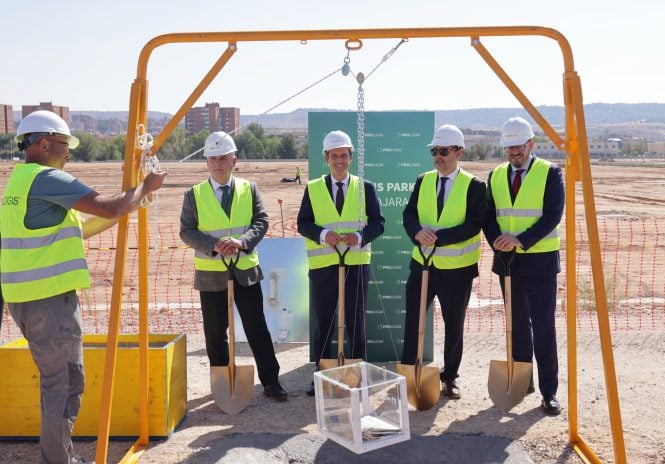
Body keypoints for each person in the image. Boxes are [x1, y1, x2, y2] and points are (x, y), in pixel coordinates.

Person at [0, 110, 166, 464]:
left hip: (27, 300)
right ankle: (58, 461)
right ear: (44, 144)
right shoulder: (47, 179)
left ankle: (60, 457)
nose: (69, 153)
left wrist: (130, 204)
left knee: (59, 382)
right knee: (64, 385)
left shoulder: (21, 181)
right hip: (48, 302)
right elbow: (110, 206)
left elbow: (87, 225)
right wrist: (144, 189)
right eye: (65, 145)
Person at [179, 131, 288, 402]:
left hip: (245, 272)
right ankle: (222, 385)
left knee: (257, 329)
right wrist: (214, 245)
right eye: (212, 158)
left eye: (223, 158)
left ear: (234, 160)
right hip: (211, 274)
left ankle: (271, 382)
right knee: (215, 335)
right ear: (206, 161)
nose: (217, 163)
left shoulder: (248, 189)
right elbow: (186, 231)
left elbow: (261, 221)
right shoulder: (193, 195)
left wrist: (241, 241)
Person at [482, 116, 565, 415]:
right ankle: (523, 380)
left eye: (518, 147)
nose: (514, 153)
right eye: (509, 148)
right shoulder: (495, 175)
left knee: (543, 327)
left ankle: (549, 391)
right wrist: (497, 240)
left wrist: (519, 239)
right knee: (516, 327)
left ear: (531, 144)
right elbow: (488, 215)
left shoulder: (551, 173)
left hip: (540, 261)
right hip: (507, 262)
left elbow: (552, 216)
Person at [400, 124, 486, 399]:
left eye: (444, 151)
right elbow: (409, 214)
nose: (438, 156)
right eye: (434, 151)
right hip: (422, 266)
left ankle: (450, 378)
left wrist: (437, 237)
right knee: (413, 320)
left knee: (453, 325)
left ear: (458, 152)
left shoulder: (474, 186)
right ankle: (408, 373)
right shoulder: (422, 180)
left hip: (457, 271)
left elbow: (473, 225)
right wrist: (417, 233)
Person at [297, 130, 384, 396]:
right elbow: (303, 223)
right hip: (323, 268)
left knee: (356, 324)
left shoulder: (365, 187)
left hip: (356, 266)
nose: (339, 160)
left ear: (350, 158)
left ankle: (358, 375)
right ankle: (321, 375)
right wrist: (324, 235)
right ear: (326, 158)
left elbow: (378, 223)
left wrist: (358, 237)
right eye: (334, 156)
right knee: (324, 324)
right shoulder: (313, 188)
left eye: (344, 156)